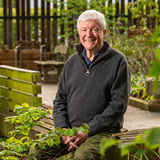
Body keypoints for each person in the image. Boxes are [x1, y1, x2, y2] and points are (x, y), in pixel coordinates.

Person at [52, 9, 131, 159]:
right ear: (78, 33)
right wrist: (62, 130)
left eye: (94, 29)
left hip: (104, 131)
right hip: (70, 131)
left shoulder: (118, 61)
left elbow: (118, 105)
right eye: (84, 30)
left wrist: (88, 130)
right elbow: (60, 101)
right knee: (37, 153)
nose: (88, 34)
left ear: (103, 32)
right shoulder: (71, 62)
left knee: (82, 156)